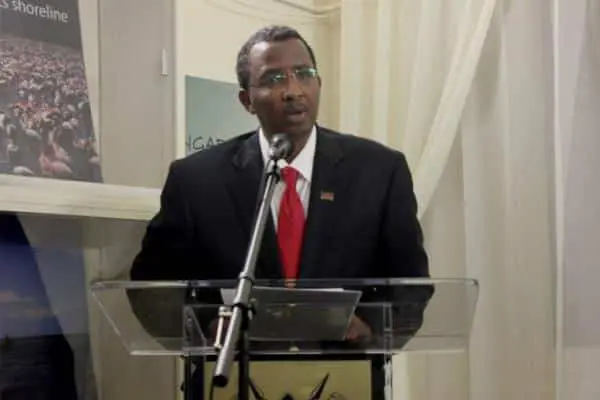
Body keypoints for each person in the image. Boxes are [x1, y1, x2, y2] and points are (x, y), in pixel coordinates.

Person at [130, 25, 430, 399]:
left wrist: (369, 327)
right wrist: (206, 328)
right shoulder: (196, 180)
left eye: (304, 74)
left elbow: (411, 284)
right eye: (274, 79)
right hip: (231, 380)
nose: (293, 90)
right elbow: (150, 286)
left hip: (343, 378)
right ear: (247, 100)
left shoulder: (379, 171)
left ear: (318, 83)